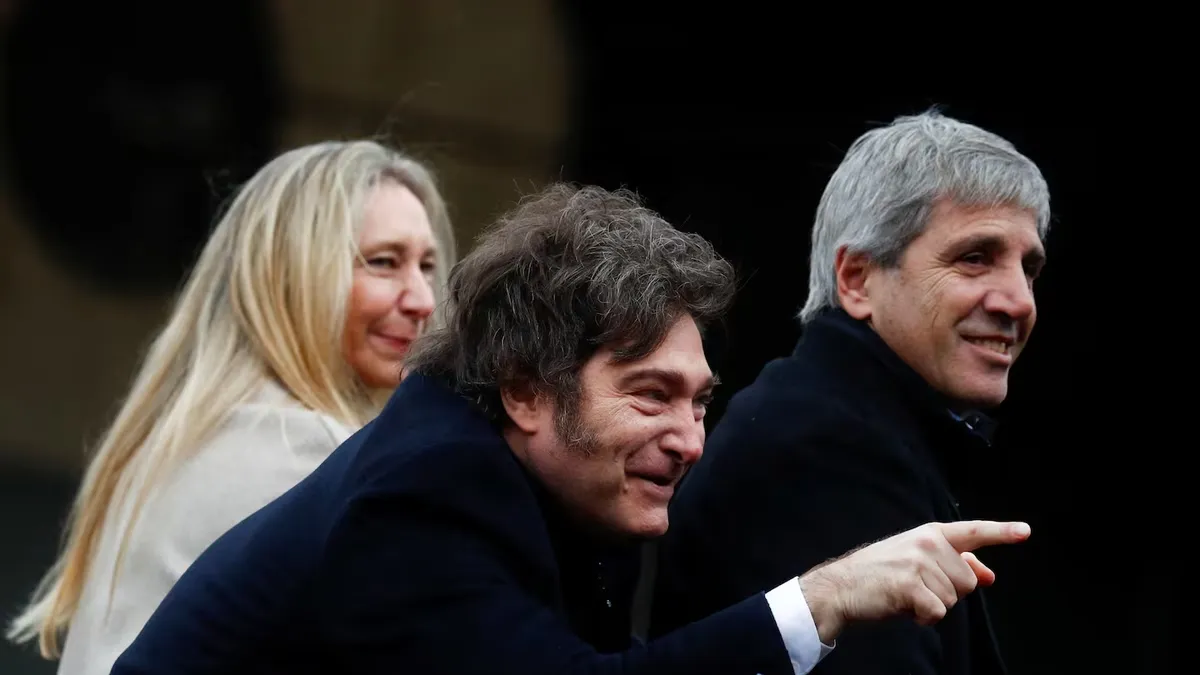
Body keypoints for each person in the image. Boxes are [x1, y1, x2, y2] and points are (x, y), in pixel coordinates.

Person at [106, 183, 1030, 675]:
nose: (690, 439)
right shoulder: (430, 489)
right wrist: (820, 598)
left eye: (699, 401)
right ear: (525, 391)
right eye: (651, 395)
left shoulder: (566, 493)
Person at [6, 140, 457, 675]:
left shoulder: (187, 441)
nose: (422, 299)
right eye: (383, 263)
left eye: (427, 266)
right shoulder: (304, 453)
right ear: (289, 277)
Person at [649, 110, 1048, 675]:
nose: (1019, 301)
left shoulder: (854, 419)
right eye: (974, 258)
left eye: (1029, 268)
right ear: (857, 279)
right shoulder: (827, 445)